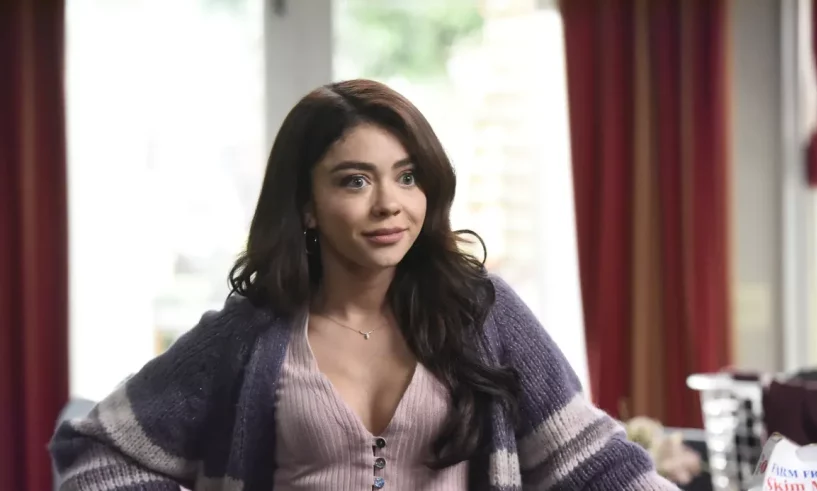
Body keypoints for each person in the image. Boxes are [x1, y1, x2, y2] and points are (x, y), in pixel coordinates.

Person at [50, 79, 676, 490]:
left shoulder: (480, 311)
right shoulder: (249, 334)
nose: (390, 205)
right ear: (305, 206)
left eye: (407, 177)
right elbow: (96, 450)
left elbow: (592, 461)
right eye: (354, 181)